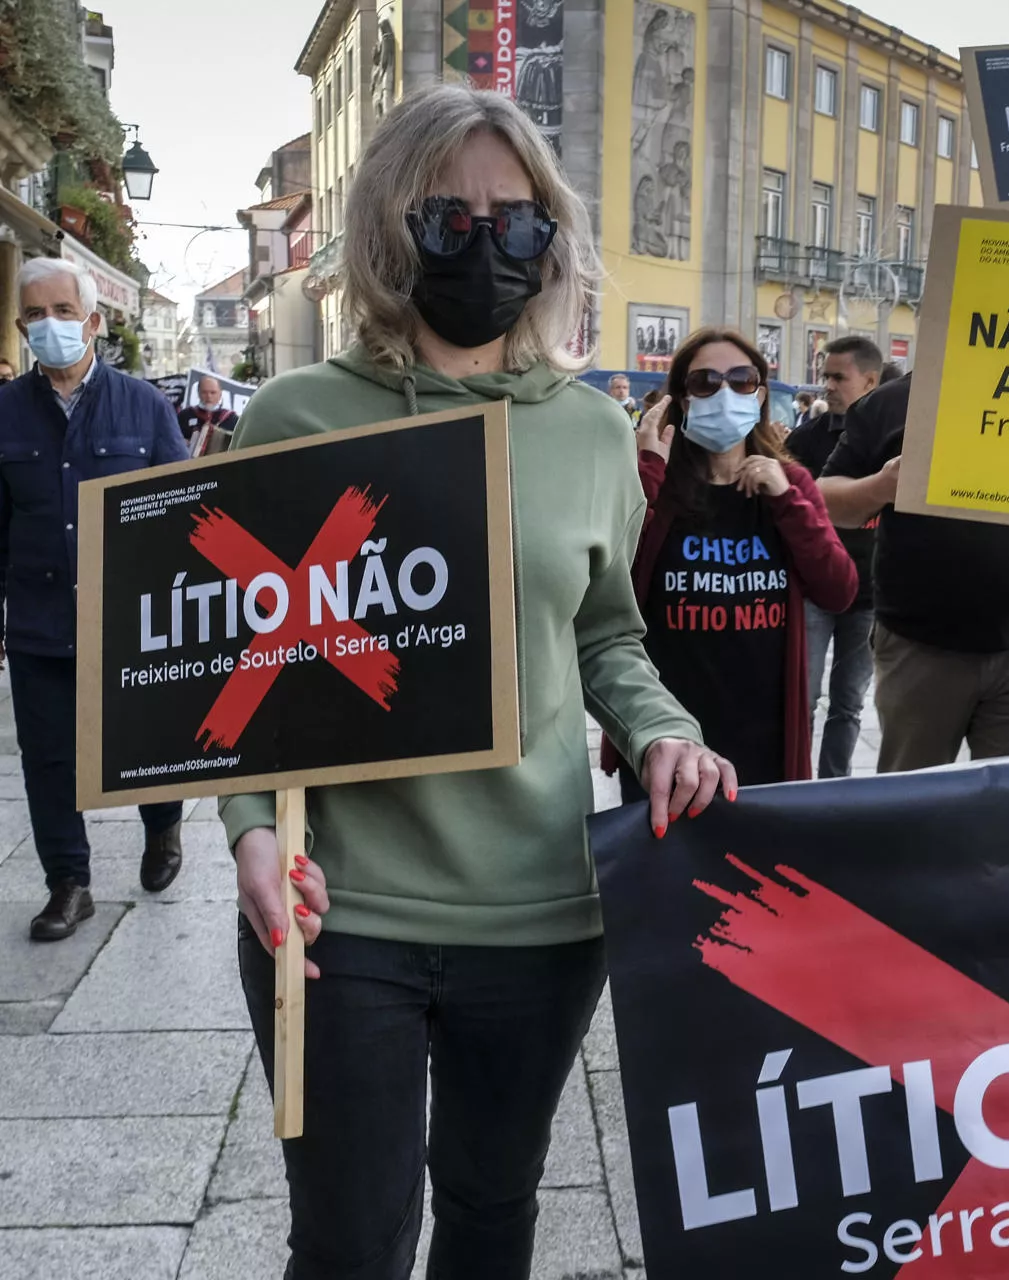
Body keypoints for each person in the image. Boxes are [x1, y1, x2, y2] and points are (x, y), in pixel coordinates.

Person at [220, 85, 735, 1278]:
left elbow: (608, 635)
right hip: (337, 911)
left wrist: (664, 731)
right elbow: (236, 654)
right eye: (449, 215)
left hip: (542, 916)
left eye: (517, 216)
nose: (487, 239)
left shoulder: (597, 432)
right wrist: (251, 829)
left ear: (551, 236)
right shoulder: (299, 417)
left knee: (494, 1214)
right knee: (350, 1241)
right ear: (390, 228)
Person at [0, 257, 189, 941]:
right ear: (21, 326)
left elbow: (186, 516)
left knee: (147, 743)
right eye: (35, 315)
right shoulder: (5, 414)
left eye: (62, 312)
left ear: (94, 322)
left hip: (130, 621)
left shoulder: (144, 407)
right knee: (49, 757)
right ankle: (68, 884)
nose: (48, 326)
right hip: (40, 621)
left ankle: (163, 828)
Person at [599, 328, 856, 791]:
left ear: (759, 394)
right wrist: (647, 470)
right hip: (669, 737)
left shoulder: (790, 485)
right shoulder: (657, 485)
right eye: (704, 382)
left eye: (740, 380)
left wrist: (787, 502)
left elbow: (838, 590)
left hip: (765, 739)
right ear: (681, 397)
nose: (724, 392)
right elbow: (610, 581)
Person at [819, 372, 1009, 771]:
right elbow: (827, 499)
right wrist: (884, 486)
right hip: (920, 649)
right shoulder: (892, 402)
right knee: (914, 809)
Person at [787, 335, 882, 778]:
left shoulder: (894, 438)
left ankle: (835, 785)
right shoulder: (806, 439)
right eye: (825, 375)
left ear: (870, 380)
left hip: (869, 596)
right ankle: (796, 785)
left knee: (848, 703)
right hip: (814, 593)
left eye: (837, 377)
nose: (827, 385)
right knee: (801, 700)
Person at [177, 374, 236, 442]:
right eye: (204, 392)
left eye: (213, 392)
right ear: (198, 393)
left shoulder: (232, 418)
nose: (209, 396)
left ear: (220, 394)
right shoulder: (184, 416)